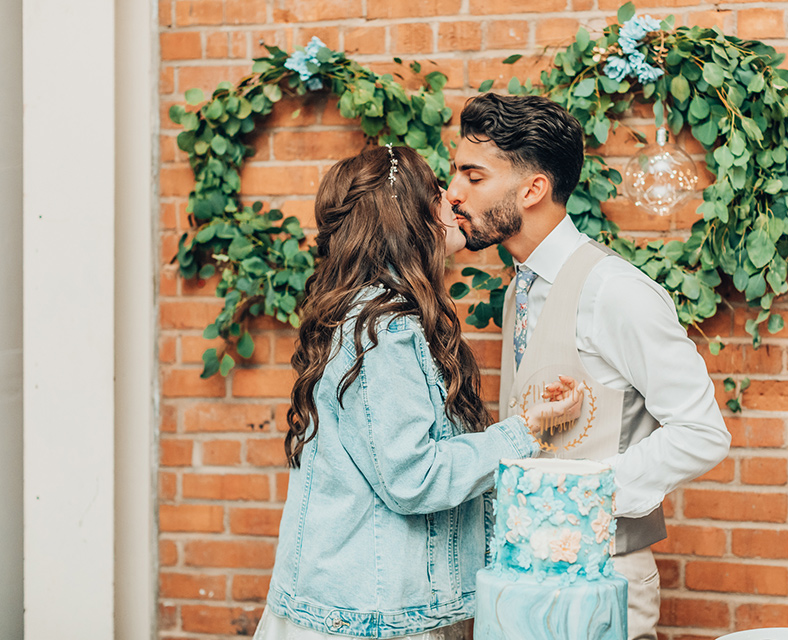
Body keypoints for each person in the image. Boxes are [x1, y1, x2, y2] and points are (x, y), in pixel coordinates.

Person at [254, 144, 581, 640]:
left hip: (360, 603)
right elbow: (413, 476)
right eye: (435, 192)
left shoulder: (369, 313)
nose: (451, 198)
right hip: (372, 616)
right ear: (403, 218)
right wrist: (526, 432)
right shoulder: (386, 329)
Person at [446, 92, 732, 640]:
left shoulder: (615, 291)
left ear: (533, 189)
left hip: (606, 578)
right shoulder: (519, 290)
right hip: (519, 580)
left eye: (473, 176)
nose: (453, 192)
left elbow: (702, 433)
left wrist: (584, 497)